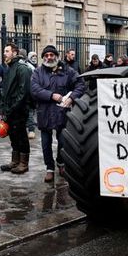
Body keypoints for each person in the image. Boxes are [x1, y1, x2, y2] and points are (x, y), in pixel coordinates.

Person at [31, 45, 85, 182]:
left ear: (56, 56)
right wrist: (51, 95)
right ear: (43, 57)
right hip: (44, 113)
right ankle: (49, 168)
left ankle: (61, 163)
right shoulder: (38, 72)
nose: (49, 57)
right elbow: (34, 89)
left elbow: (80, 85)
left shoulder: (68, 70)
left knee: (63, 141)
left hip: (62, 113)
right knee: (46, 143)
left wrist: (72, 97)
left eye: (51, 55)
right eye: (46, 55)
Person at [0, 43, 32, 174]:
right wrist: (3, 108)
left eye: (7, 51)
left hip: (19, 110)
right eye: (4, 51)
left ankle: (24, 163)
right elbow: (5, 91)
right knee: (13, 135)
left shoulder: (22, 68)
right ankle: (15, 160)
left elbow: (23, 92)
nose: (4, 53)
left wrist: (12, 108)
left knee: (21, 135)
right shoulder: (9, 68)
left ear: (14, 52)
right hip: (9, 109)